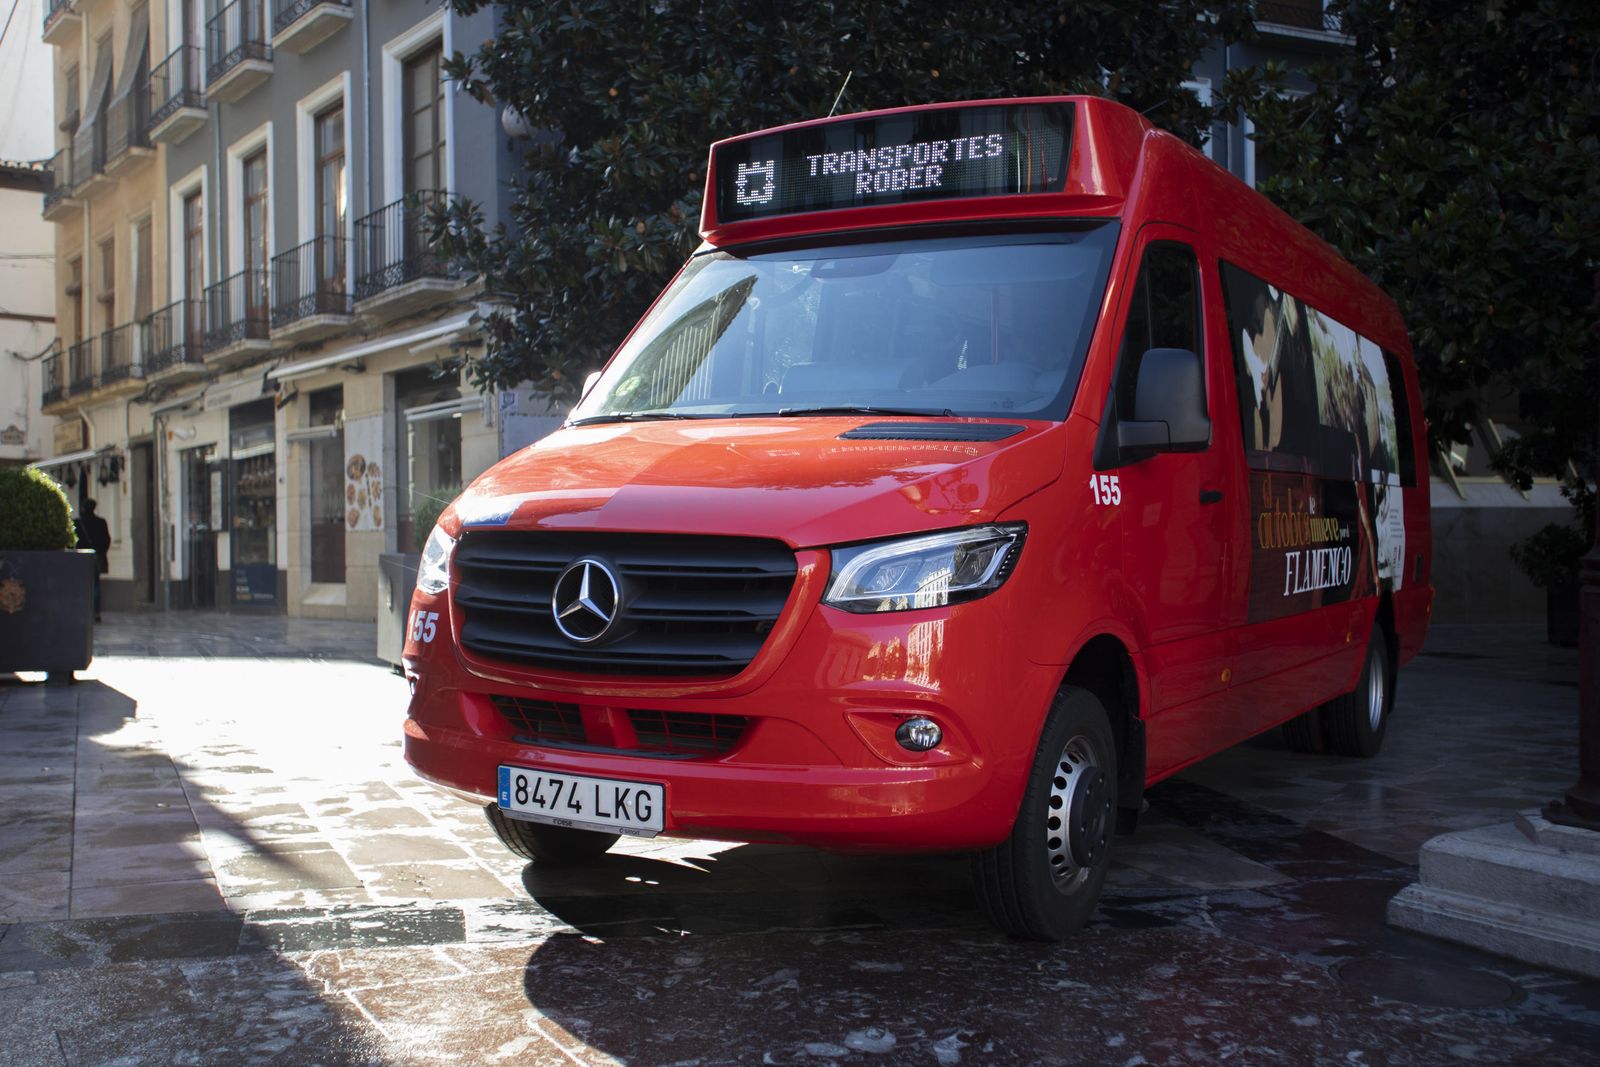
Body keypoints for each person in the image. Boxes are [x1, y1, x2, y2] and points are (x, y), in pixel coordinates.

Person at [75, 498, 111, 622]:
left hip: (80, 559)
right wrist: (100, 553)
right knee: (95, 585)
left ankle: (83, 610)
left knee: (81, 586)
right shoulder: (101, 522)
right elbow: (106, 540)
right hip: (96, 558)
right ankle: (96, 612)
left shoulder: (77, 523)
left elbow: (73, 541)